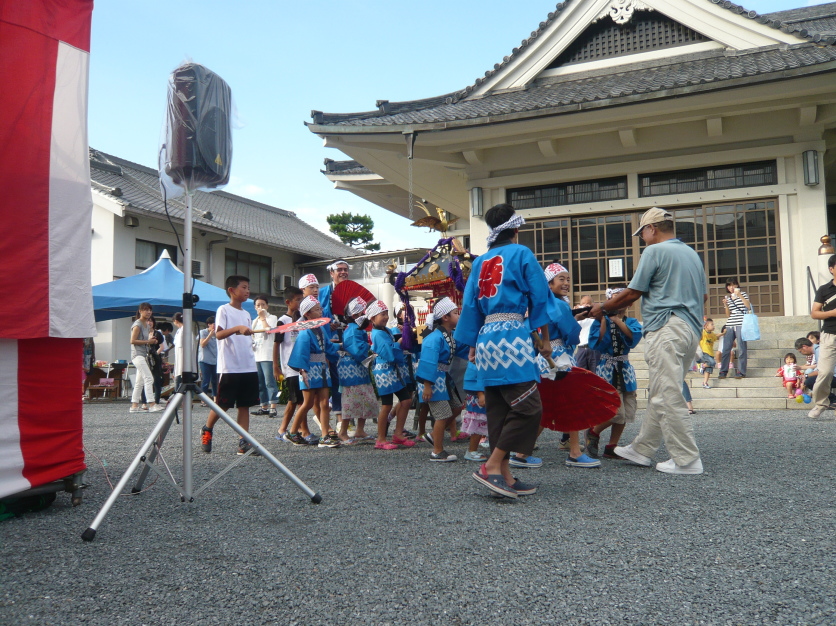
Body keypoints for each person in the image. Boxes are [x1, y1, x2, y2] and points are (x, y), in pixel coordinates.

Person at [590, 207, 705, 475]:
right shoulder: (691, 254)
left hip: (666, 327)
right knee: (661, 390)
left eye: (642, 232)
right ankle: (642, 449)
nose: (642, 237)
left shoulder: (654, 251)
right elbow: (704, 297)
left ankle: (687, 460)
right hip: (690, 327)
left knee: (667, 393)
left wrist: (603, 308)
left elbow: (632, 293)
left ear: (652, 228)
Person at [455, 203, 552, 498]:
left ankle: (505, 475)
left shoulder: (482, 261)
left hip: (486, 340)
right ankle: (492, 465)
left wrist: (472, 346)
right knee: (528, 407)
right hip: (512, 337)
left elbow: (470, 306)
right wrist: (545, 339)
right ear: (516, 229)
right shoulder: (521, 254)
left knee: (498, 408)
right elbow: (540, 297)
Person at [534, 262, 597, 469]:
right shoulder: (560, 305)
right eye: (561, 279)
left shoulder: (541, 302)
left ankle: (521, 451)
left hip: (542, 357)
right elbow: (571, 334)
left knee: (543, 407)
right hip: (559, 356)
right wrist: (574, 324)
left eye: (568, 279)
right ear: (549, 283)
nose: (567, 283)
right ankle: (575, 452)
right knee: (573, 403)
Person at [200, 275, 261, 456]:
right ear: (232, 290)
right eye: (244, 287)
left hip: (248, 365)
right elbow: (218, 335)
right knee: (223, 404)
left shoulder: (247, 313)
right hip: (230, 366)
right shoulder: (223, 310)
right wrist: (237, 329)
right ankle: (207, 428)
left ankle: (244, 442)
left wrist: (245, 330)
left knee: (245, 405)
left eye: (248, 287)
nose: (247, 291)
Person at [585, 287, 643, 460]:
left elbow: (633, 339)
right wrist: (604, 319)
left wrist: (617, 320)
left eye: (622, 299)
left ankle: (612, 446)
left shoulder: (631, 321)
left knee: (627, 410)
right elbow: (598, 342)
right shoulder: (599, 321)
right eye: (615, 299)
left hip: (625, 368)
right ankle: (593, 432)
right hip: (607, 368)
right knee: (616, 411)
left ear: (629, 302)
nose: (619, 303)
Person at [415, 297, 468, 462]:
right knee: (442, 414)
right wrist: (427, 386)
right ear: (445, 317)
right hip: (432, 380)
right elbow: (428, 361)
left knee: (458, 407)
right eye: (455, 313)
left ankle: (433, 435)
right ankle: (437, 451)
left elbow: (462, 349)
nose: (458, 316)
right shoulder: (434, 338)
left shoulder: (449, 335)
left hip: (442, 378)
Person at [287, 296, 341, 447]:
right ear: (307, 314)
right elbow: (300, 353)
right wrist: (302, 370)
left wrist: (341, 348)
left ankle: (325, 435)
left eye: (320, 308)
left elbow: (329, 348)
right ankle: (292, 432)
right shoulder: (304, 332)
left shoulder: (321, 329)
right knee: (308, 403)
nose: (321, 311)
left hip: (322, 368)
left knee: (324, 403)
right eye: (317, 309)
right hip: (309, 370)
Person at [367, 300, 416, 450]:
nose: (386, 317)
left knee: (406, 400)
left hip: (393, 371)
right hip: (384, 372)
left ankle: (398, 433)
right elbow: (389, 353)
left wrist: (399, 338)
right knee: (387, 404)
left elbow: (391, 345)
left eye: (386, 313)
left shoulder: (386, 331)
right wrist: (399, 342)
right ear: (372, 318)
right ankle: (381, 439)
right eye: (382, 314)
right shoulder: (378, 334)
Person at [337, 297, 377, 443]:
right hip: (352, 369)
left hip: (358, 368)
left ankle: (359, 430)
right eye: (362, 313)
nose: (365, 316)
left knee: (365, 400)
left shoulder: (356, 329)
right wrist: (369, 346)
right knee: (351, 401)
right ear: (355, 316)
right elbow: (357, 350)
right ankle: (343, 432)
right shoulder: (352, 330)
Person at [317, 260, 351, 428]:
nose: (343, 272)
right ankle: (339, 419)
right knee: (337, 379)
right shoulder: (323, 293)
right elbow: (316, 317)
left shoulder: (352, 292)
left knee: (348, 377)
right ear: (332, 273)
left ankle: (342, 416)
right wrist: (327, 325)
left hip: (348, 339)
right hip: (331, 341)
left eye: (345, 269)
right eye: (339, 270)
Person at [807, 254, 836, 419]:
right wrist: (832, 313)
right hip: (830, 335)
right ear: (831, 269)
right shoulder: (824, 290)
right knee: (824, 372)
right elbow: (814, 313)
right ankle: (820, 404)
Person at [275, 286, 304, 441]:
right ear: (288, 302)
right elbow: (276, 344)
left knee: (301, 401)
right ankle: (283, 430)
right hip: (290, 367)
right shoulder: (283, 321)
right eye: (297, 300)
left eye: (301, 300)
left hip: (302, 367)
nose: (300, 303)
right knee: (294, 401)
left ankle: (297, 429)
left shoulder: (302, 320)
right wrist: (276, 366)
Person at [129, 302, 164, 413]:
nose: (148, 312)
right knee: (149, 378)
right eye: (146, 310)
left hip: (143, 355)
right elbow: (132, 341)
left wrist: (150, 341)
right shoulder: (137, 324)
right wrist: (148, 341)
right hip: (137, 355)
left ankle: (134, 406)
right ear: (140, 311)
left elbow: (144, 342)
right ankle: (152, 404)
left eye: (150, 310)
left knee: (139, 382)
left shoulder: (147, 325)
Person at [251, 294, 279, 418]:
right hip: (257, 354)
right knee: (260, 383)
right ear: (254, 307)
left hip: (268, 355)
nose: (260, 307)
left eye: (263, 304)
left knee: (270, 382)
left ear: (267, 305)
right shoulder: (254, 321)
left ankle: (273, 407)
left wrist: (263, 318)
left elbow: (268, 330)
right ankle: (264, 406)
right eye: (258, 305)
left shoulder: (272, 317)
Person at [718, 278, 751, 380]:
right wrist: (725, 305)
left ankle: (741, 372)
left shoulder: (743, 294)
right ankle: (723, 371)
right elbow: (728, 315)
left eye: (733, 285)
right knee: (726, 348)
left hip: (741, 323)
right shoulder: (728, 297)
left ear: (737, 285)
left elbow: (748, 306)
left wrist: (739, 295)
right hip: (730, 323)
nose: (731, 287)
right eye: (729, 286)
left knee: (741, 348)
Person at [460, 361, 488, 463]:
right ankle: (472, 450)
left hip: (490, 390)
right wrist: (480, 394)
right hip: (478, 394)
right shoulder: (477, 354)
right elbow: (473, 374)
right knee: (478, 422)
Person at [574, 295, 602, 373]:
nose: (585, 305)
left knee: (596, 375)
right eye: (583, 303)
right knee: (580, 375)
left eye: (588, 303)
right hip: (581, 349)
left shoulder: (597, 317)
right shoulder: (577, 317)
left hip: (594, 349)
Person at [198, 316, 218, 403]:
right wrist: (210, 335)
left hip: (215, 360)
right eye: (214, 324)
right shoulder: (203, 332)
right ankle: (204, 400)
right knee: (206, 380)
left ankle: (215, 399)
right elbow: (202, 344)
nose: (215, 325)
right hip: (205, 360)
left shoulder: (218, 333)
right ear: (209, 324)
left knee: (215, 380)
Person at [697, 318, 718, 389]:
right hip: (704, 353)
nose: (713, 326)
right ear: (706, 326)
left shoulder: (712, 334)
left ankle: (705, 383)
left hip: (711, 353)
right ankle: (702, 365)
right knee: (713, 362)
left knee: (709, 369)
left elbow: (716, 337)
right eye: (711, 324)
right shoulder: (703, 332)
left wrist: (723, 333)